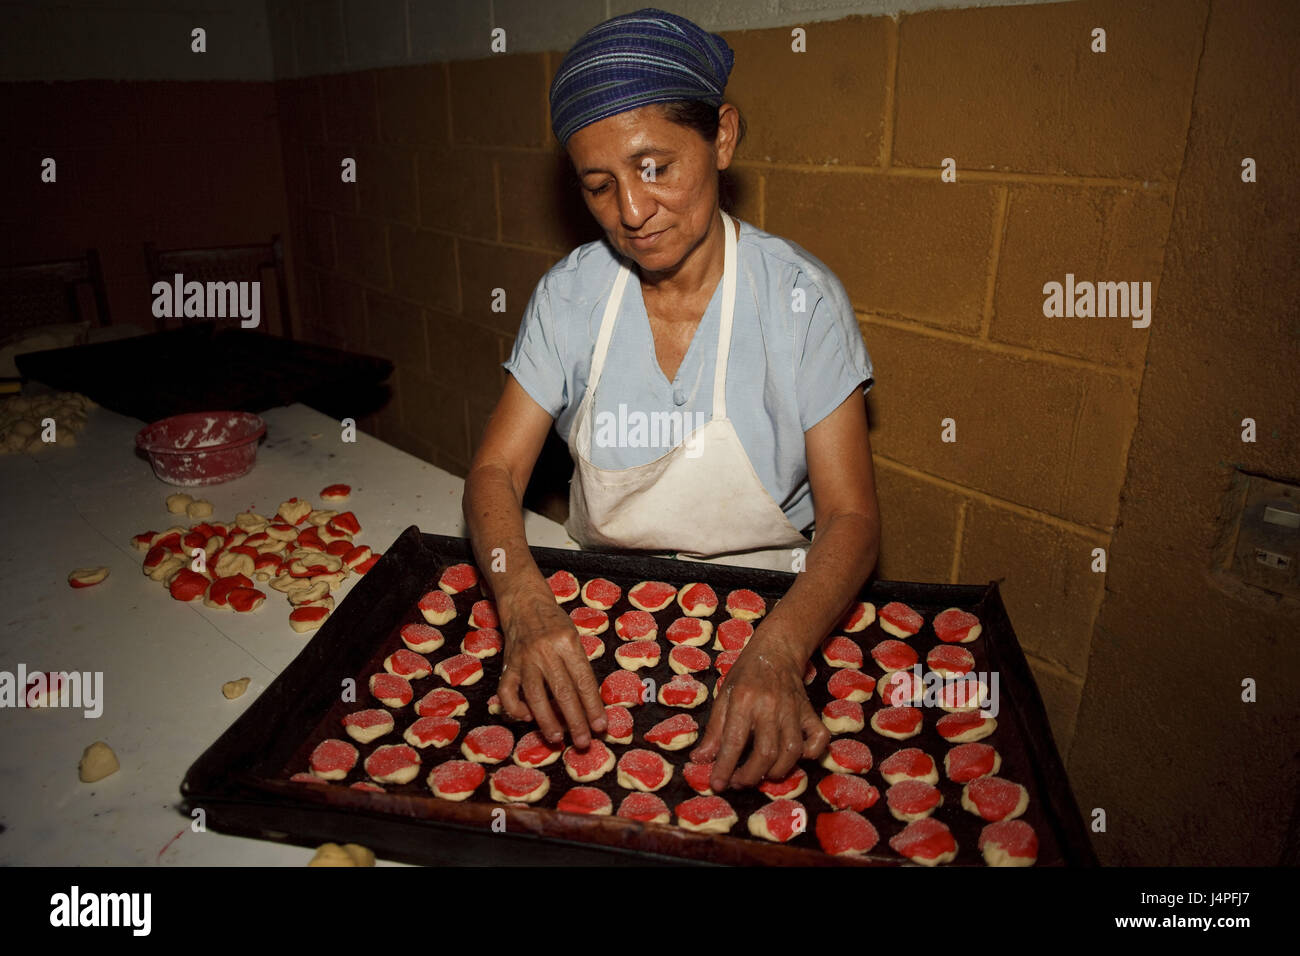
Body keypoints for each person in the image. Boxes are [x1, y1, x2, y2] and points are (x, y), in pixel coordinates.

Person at [462, 8, 880, 795]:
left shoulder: (801, 302)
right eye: (599, 185)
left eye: (655, 167)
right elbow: (494, 471)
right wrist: (522, 600)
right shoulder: (572, 297)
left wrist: (781, 649)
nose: (631, 211)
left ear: (720, 137)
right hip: (593, 619)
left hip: (778, 616)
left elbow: (853, 518)